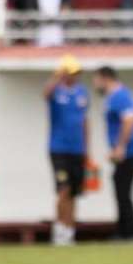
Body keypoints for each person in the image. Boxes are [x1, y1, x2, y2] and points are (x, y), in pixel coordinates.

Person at [93, 66, 133, 241]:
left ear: (105, 78)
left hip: (131, 151)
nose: (95, 84)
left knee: (123, 191)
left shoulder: (119, 96)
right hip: (126, 151)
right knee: (120, 189)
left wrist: (120, 147)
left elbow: (130, 120)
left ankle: (130, 232)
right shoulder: (115, 96)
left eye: (96, 80)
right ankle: (125, 231)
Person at [44, 55, 90, 247]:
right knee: (63, 189)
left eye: (76, 73)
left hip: (77, 150)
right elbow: (45, 94)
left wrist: (87, 149)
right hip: (59, 149)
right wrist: (57, 76)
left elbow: (85, 121)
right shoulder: (56, 92)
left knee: (74, 193)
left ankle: (70, 231)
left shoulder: (82, 92)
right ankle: (59, 230)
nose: (75, 76)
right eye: (71, 73)